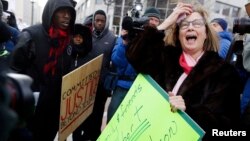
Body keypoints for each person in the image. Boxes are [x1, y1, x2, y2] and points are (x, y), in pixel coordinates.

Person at [126, 2, 243, 140]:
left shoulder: (224, 73)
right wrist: (168, 22)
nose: (190, 27)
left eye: (197, 23)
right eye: (184, 25)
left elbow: (229, 129)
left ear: (206, 33)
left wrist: (188, 112)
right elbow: (135, 55)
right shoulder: (165, 58)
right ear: (178, 35)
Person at [9, 0, 76, 140]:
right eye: (62, 11)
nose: (67, 16)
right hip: (31, 109)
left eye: (69, 12)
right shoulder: (30, 36)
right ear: (51, 13)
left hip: (53, 109)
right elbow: (13, 73)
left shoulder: (68, 40)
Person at [72, 9, 116, 141]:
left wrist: (108, 82)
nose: (99, 23)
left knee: (96, 117)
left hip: (100, 86)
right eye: (97, 20)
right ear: (93, 21)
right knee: (80, 117)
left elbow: (113, 62)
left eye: (102, 21)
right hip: (84, 84)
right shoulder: (86, 35)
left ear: (106, 22)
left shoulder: (112, 38)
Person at [106, 16, 137, 123]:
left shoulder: (140, 41)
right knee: (112, 116)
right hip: (121, 86)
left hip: (137, 86)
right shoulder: (120, 40)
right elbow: (117, 61)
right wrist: (124, 43)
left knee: (131, 119)